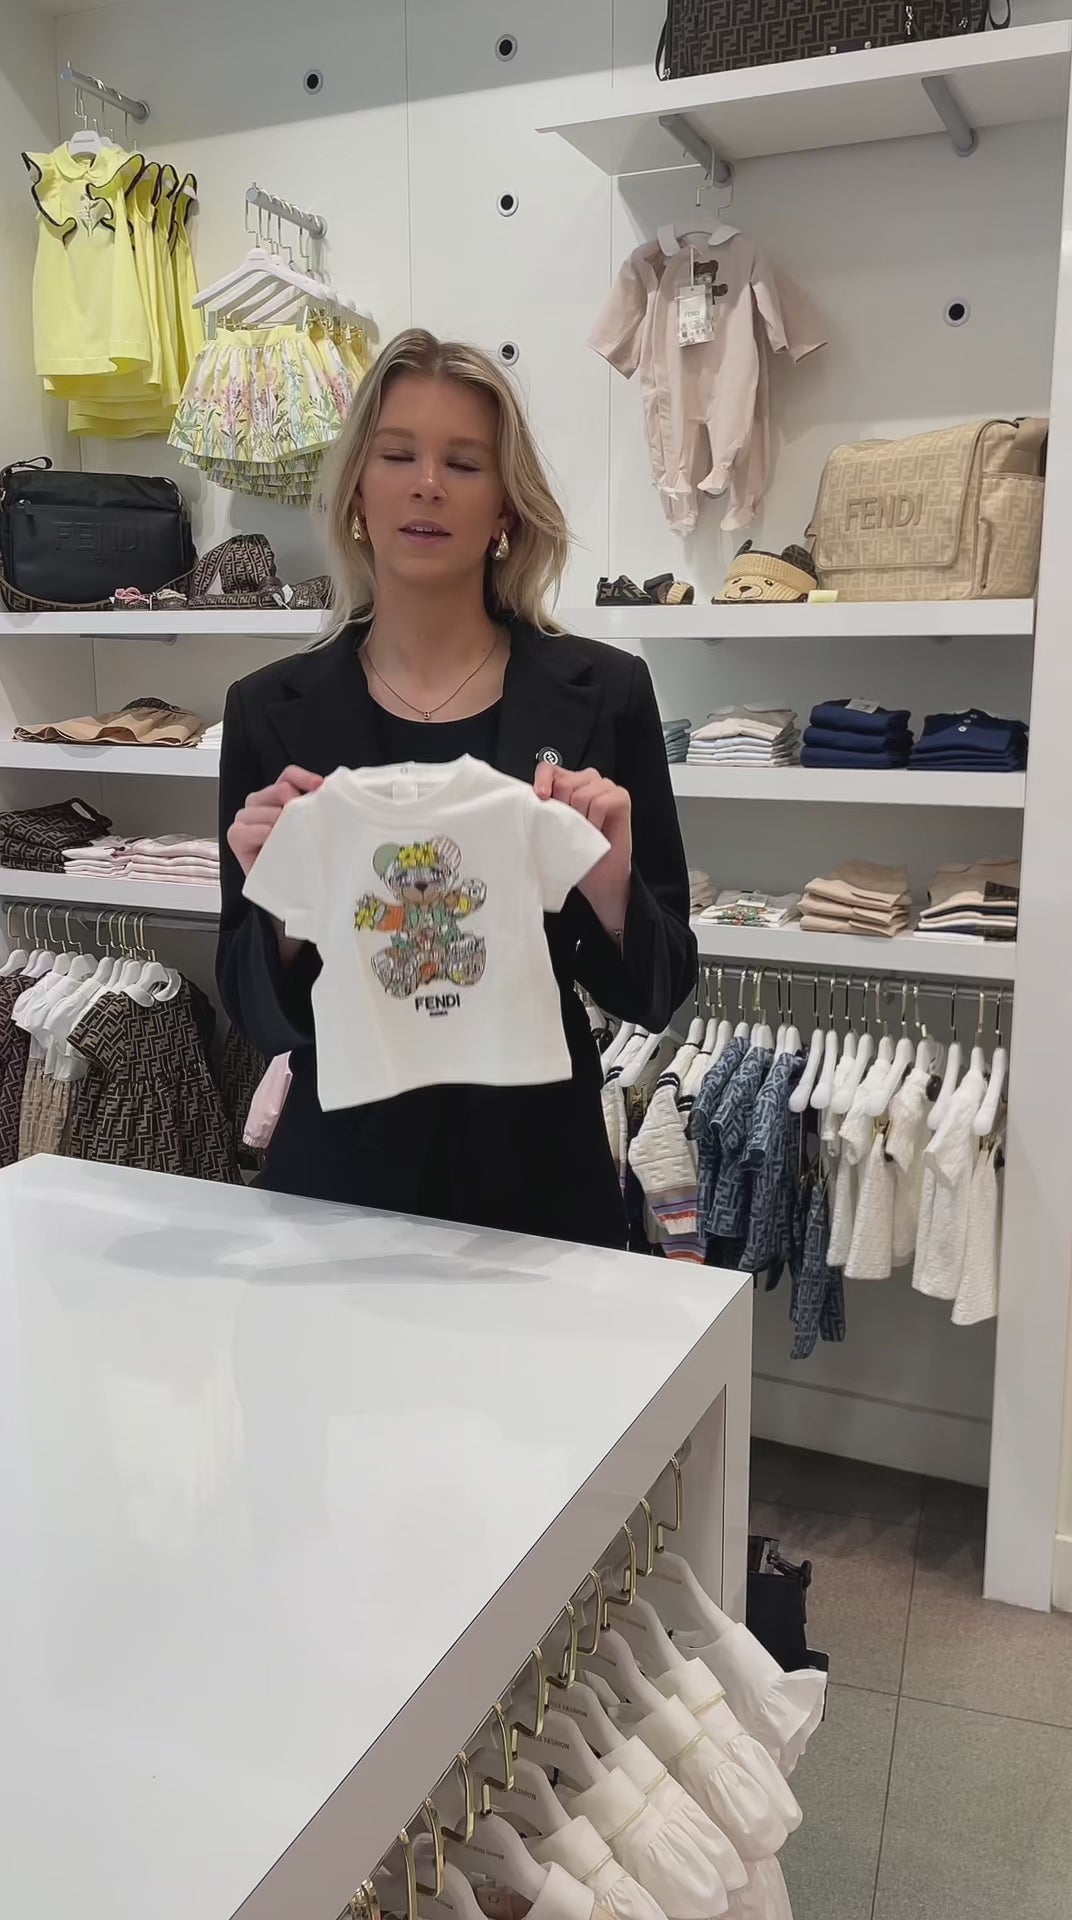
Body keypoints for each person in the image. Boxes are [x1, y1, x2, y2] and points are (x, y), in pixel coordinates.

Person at [218, 328, 695, 1247]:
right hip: (338, 1179)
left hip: (541, 1182)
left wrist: (610, 889)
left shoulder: (605, 695)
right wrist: (281, 911)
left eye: (464, 463)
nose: (427, 484)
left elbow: (658, 992)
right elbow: (252, 1012)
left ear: (506, 506)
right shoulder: (271, 713)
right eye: (398, 455)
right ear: (359, 491)